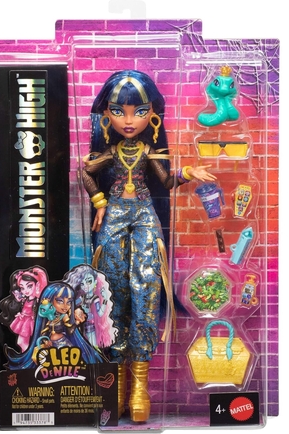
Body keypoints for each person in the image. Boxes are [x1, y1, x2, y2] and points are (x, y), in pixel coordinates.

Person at [81, 70, 216, 422]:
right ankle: (117, 381)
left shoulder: (148, 150)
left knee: (146, 289)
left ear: (152, 115)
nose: (128, 120)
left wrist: (188, 173)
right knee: (111, 290)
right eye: (119, 111)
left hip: (143, 215)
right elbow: (86, 172)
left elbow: (166, 180)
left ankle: (139, 385)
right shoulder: (111, 150)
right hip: (113, 216)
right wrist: (99, 202)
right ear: (106, 114)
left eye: (138, 112)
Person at [0, 266, 48, 352]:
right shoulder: (24, 299)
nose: (26, 290)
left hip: (32, 322)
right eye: (22, 287)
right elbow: (15, 308)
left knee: (31, 342)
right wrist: (17, 303)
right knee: (21, 343)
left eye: (29, 286)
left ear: (37, 284)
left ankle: (30, 356)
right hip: (23, 321)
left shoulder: (38, 300)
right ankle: (26, 356)